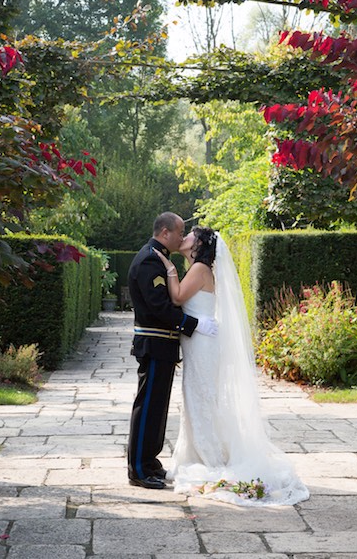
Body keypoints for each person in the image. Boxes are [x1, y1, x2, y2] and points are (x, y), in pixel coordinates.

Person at [154, 226, 309, 506]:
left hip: (202, 344)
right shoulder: (199, 268)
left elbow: (177, 297)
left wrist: (169, 268)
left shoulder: (199, 269)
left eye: (190, 235)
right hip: (199, 342)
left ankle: (210, 458)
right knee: (198, 397)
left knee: (200, 397)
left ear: (199, 245)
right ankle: (202, 452)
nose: (185, 237)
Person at [127, 212, 218, 490]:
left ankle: (150, 462)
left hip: (164, 344)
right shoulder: (150, 260)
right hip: (155, 343)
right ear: (165, 232)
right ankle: (139, 469)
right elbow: (160, 307)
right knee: (147, 407)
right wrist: (193, 324)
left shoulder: (159, 258)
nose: (182, 238)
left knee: (158, 408)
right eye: (180, 232)